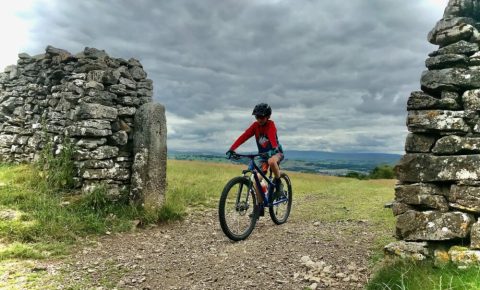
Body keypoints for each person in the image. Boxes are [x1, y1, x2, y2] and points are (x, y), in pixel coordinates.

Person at [226, 103, 284, 206]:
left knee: (271, 161)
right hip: (262, 155)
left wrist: (274, 148)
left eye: (262, 117)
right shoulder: (255, 126)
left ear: (268, 116)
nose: (259, 119)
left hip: (276, 152)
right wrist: (232, 149)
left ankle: (278, 183)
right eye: (257, 117)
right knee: (256, 179)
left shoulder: (271, 125)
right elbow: (244, 136)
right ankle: (260, 207)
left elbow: (271, 135)